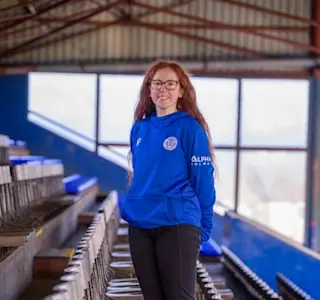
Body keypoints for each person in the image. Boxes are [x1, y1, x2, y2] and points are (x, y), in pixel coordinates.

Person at [120, 59, 216, 300]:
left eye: (171, 83)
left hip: (177, 223)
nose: (163, 89)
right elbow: (141, 174)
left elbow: (203, 179)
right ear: (149, 90)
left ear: (181, 91)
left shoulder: (190, 128)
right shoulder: (139, 129)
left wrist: (204, 222)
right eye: (157, 83)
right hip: (140, 223)